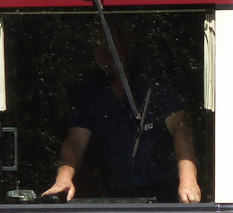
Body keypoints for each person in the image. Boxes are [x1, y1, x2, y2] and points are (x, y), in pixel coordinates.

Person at [44, 20, 202, 202]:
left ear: (130, 41)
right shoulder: (93, 87)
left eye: (111, 45)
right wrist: (64, 177)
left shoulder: (153, 78)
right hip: (117, 195)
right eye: (97, 47)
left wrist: (188, 179)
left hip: (163, 192)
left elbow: (180, 126)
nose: (105, 53)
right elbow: (76, 139)